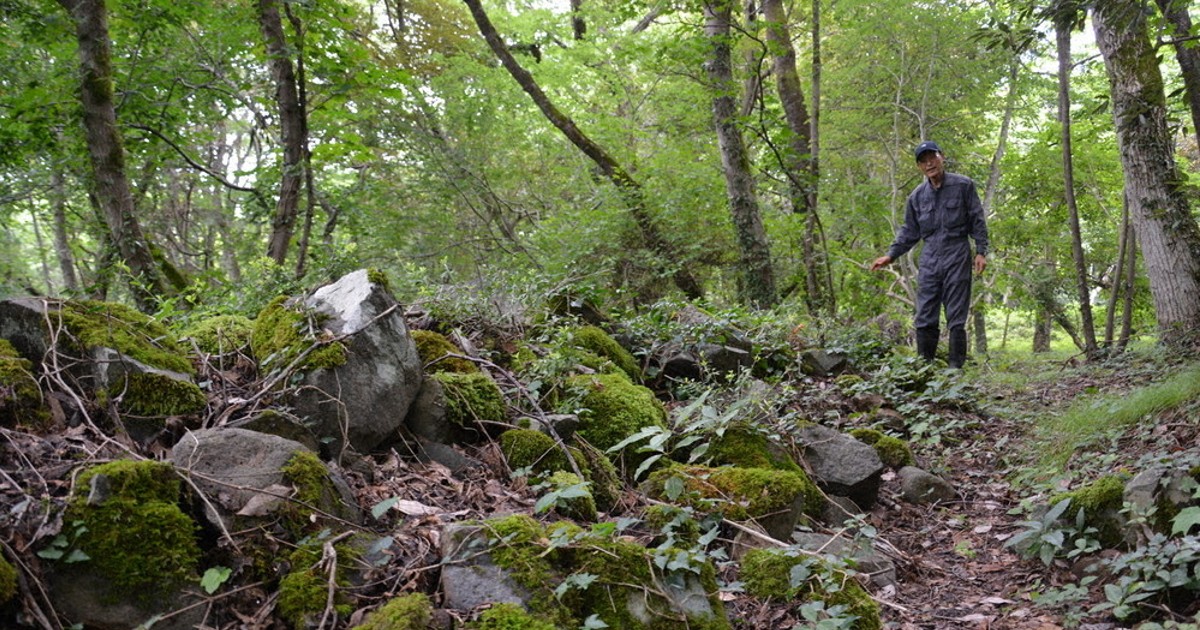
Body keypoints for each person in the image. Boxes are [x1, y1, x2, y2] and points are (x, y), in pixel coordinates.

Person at [870, 141, 989, 368]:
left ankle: (955, 371)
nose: (929, 164)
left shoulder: (964, 185)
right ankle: (924, 369)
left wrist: (981, 251)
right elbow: (909, 231)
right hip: (930, 257)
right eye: (923, 161)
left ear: (942, 157)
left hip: (958, 253)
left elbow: (977, 219)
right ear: (919, 167)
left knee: (956, 316)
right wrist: (891, 255)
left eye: (932, 158)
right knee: (925, 314)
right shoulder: (916, 197)